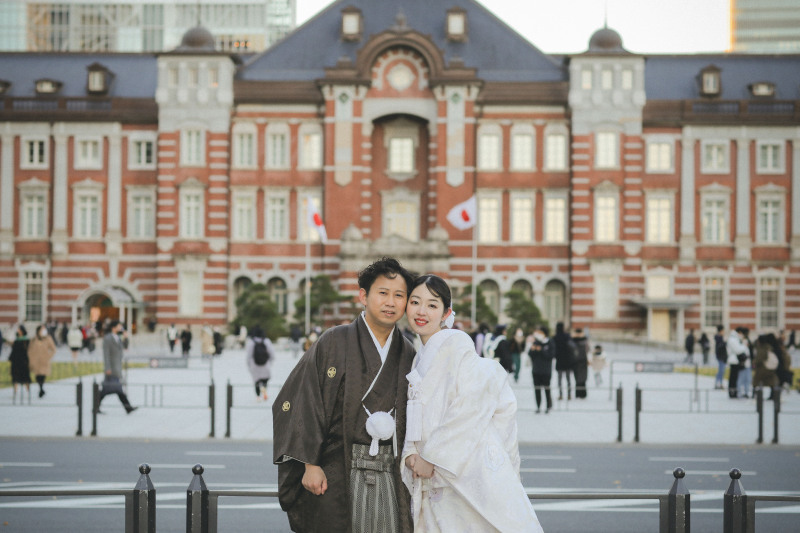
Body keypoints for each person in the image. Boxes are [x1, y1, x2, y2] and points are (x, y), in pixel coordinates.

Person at [272, 257, 417, 533]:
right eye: (383, 293)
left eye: (399, 295)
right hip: (337, 469)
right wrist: (310, 464)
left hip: (391, 472)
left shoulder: (408, 352)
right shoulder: (334, 341)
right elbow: (303, 399)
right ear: (363, 295)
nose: (391, 302)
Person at [401, 274, 543, 532]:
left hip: (456, 474)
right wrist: (411, 451)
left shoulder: (457, 345)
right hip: (432, 475)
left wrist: (432, 458)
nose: (422, 311)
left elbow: (469, 407)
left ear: (447, 313)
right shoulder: (420, 355)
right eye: (415, 302)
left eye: (432, 305)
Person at [97, 320, 137, 414]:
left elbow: (125, 347)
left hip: (117, 367)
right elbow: (106, 354)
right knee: (115, 389)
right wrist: (107, 368)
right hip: (111, 368)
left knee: (109, 389)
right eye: (119, 326)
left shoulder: (118, 337)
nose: (121, 328)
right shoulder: (108, 338)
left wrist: (126, 337)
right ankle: (128, 407)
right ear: (113, 327)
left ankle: (128, 408)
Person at [529, 325, 554, 413]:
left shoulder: (550, 342)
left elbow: (551, 356)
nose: (538, 334)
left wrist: (542, 350)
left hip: (546, 370)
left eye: (540, 333)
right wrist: (533, 350)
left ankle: (548, 406)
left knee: (546, 389)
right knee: (537, 389)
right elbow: (530, 354)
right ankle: (538, 406)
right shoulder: (536, 342)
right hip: (536, 370)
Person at [246, 325, 275, 401]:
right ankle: (264, 391)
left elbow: (248, 356)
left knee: (256, 381)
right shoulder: (267, 341)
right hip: (265, 364)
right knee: (265, 380)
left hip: (254, 365)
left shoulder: (251, 342)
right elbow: (272, 354)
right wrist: (270, 362)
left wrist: (249, 365)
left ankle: (258, 396)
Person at [28, 324, 57, 398]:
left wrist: (48, 356)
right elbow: (30, 350)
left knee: (43, 375)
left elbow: (53, 349)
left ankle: (41, 388)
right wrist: (31, 359)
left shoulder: (48, 338)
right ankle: (41, 388)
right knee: (38, 375)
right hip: (36, 361)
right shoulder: (34, 339)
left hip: (44, 361)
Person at [7, 324, 32, 404]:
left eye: (19, 329)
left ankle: (28, 392)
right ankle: (15, 392)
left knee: (25, 378)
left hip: (23, 362)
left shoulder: (26, 341)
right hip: (16, 362)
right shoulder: (16, 340)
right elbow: (13, 351)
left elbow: (28, 351)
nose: (18, 331)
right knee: (15, 378)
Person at [553, 322, 575, 400]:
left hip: (559, 360)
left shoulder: (555, 337)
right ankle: (569, 394)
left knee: (559, 379)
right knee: (568, 378)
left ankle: (560, 394)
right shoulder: (567, 336)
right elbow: (572, 346)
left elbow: (553, 350)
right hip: (567, 360)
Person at [727, 327, 748, 399]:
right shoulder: (733, 339)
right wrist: (744, 345)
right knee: (733, 378)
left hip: (735, 360)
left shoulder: (734, 338)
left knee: (734, 378)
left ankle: (734, 392)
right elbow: (738, 350)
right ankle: (732, 393)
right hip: (734, 361)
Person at [572, 328, 590, 399]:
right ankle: (579, 394)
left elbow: (588, 350)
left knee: (582, 378)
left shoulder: (584, 341)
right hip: (577, 362)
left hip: (582, 361)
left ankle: (582, 394)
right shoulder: (573, 341)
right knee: (578, 378)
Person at [714, 325, 727, 390]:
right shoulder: (719, 338)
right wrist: (724, 343)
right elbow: (720, 347)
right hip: (720, 356)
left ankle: (720, 383)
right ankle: (718, 383)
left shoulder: (720, 338)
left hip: (722, 356)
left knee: (722, 371)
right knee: (721, 371)